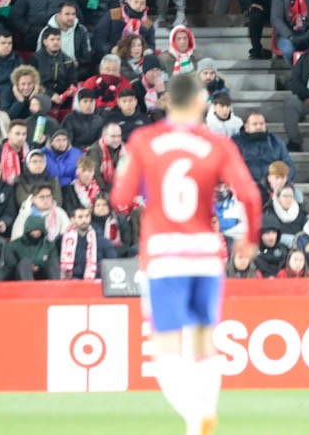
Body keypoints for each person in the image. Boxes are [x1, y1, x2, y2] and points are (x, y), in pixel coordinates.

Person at [110, 70, 263, 435]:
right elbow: (251, 195)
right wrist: (250, 238)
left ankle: (196, 418)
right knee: (203, 341)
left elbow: (120, 197)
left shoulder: (145, 140)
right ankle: (204, 414)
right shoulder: (216, 144)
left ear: (166, 102)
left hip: (163, 253)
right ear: (200, 103)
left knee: (165, 347)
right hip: (205, 253)